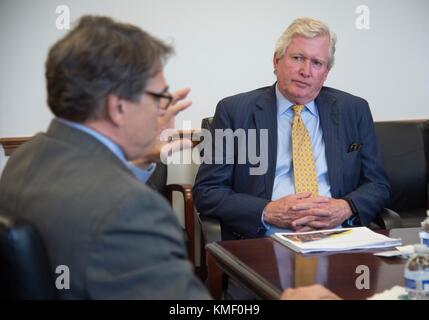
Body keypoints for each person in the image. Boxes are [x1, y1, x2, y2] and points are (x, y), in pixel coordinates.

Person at [0, 15, 339, 301]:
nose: (167, 110)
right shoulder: (131, 209)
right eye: (161, 96)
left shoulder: (26, 159)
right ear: (118, 107)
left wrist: (136, 161)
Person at [193, 17, 390, 241]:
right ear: (276, 61)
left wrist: (346, 207)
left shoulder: (354, 110)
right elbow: (207, 191)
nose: (306, 71)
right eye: (298, 58)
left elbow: (378, 184)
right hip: (266, 238)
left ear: (325, 73)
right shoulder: (234, 111)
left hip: (338, 236)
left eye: (317, 63)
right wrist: (268, 211)